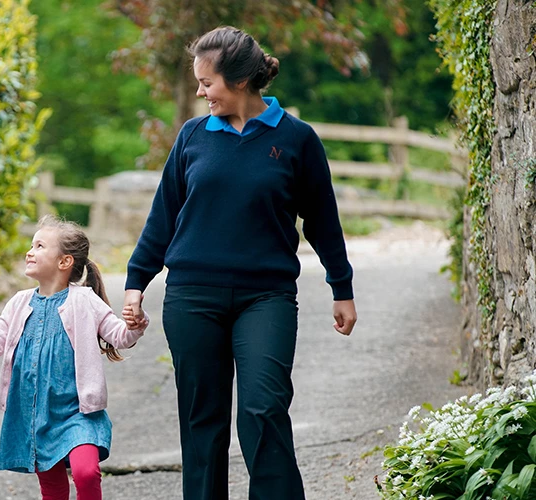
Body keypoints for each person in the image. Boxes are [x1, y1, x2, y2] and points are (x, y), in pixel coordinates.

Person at [122, 26, 358, 500]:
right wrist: (136, 281)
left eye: (207, 82)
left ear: (241, 80)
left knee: (264, 408)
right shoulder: (192, 137)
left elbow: (323, 220)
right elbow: (164, 214)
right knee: (202, 420)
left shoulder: (297, 139)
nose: (200, 91)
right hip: (192, 296)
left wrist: (342, 287)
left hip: (265, 296)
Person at [0, 215, 149, 500]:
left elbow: (119, 335)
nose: (29, 251)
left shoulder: (84, 300)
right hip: (36, 414)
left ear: (64, 262)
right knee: (53, 487)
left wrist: (135, 325)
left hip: (78, 412)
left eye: (40, 246)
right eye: (32, 245)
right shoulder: (18, 303)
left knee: (85, 472)